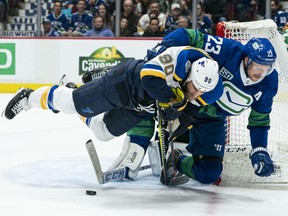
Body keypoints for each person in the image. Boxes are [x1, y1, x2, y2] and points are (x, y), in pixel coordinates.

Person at [2, 46, 222, 179]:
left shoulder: (203, 90)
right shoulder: (177, 59)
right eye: (194, 86)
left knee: (102, 132)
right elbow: (147, 75)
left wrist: (171, 123)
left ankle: (71, 87)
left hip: (139, 107)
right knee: (71, 104)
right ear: (189, 74)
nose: (195, 93)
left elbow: (182, 110)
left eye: (201, 90)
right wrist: (173, 100)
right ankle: (28, 97)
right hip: (123, 84)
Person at [124, 27, 278, 185]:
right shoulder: (229, 50)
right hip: (188, 99)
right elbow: (188, 35)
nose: (261, 74)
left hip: (212, 119)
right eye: (258, 68)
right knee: (150, 91)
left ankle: (175, 158)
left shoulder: (269, 83)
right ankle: (138, 141)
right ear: (247, 60)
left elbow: (259, 119)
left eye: (267, 69)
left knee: (209, 173)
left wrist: (260, 148)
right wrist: (164, 48)